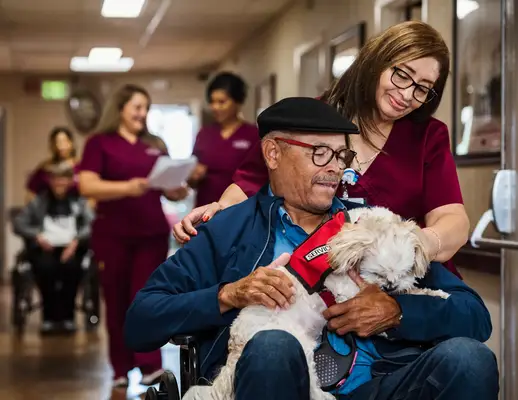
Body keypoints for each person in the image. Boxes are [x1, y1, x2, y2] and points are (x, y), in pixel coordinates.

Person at [124, 97, 497, 400]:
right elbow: (141, 321)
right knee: (273, 346)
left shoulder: (368, 225)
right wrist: (228, 295)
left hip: (378, 384)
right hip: (277, 384)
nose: (335, 169)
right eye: (320, 153)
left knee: (469, 359)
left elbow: (475, 316)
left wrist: (398, 311)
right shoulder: (228, 229)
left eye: (341, 156)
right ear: (272, 154)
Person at [172, 21, 469, 279]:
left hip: (397, 283)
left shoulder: (428, 136)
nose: (407, 95)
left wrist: (421, 243)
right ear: (377, 61)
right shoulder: (309, 117)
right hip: (312, 281)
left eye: (422, 88)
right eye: (402, 75)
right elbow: (248, 186)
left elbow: (453, 219)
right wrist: (219, 212)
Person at [78, 84, 187, 388]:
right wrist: (128, 187)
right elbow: (87, 186)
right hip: (112, 235)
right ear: (120, 109)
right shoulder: (99, 143)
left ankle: (150, 364)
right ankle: (120, 368)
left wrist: (177, 188)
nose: (142, 114)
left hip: (150, 234)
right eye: (137, 107)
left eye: (145, 108)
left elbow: (171, 191)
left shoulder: (154, 143)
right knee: (116, 301)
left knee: (147, 299)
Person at [13, 163, 92, 334]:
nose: (60, 183)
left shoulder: (79, 201)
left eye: (64, 178)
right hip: (44, 249)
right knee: (45, 269)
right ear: (50, 181)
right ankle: (49, 318)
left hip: (71, 249)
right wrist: (37, 235)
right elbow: (19, 223)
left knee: (72, 270)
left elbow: (91, 224)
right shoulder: (39, 201)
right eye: (56, 178)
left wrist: (76, 241)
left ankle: (68, 318)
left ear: (70, 181)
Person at [187, 72, 259, 207]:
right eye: (212, 102)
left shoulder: (252, 135)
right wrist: (193, 176)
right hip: (205, 210)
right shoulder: (204, 134)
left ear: (237, 102)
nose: (215, 107)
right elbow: (191, 180)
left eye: (222, 102)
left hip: (241, 210)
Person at [26, 126, 79, 203]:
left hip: (76, 210)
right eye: (57, 142)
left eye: (64, 141)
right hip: (48, 211)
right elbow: (31, 193)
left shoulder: (81, 166)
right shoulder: (45, 167)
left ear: (71, 143)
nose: (60, 146)